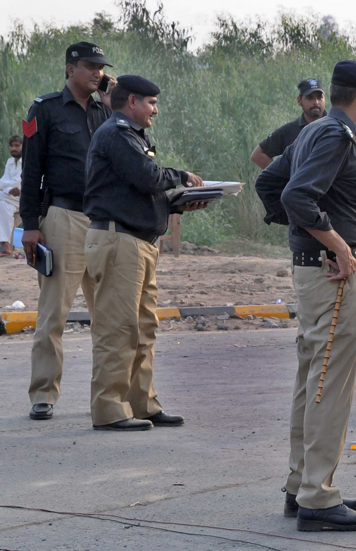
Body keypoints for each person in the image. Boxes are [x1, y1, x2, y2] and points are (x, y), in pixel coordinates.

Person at [280, 60, 356, 532]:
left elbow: (271, 184)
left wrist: (304, 239)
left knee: (312, 379)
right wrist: (336, 245)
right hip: (333, 274)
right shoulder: (336, 135)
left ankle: (302, 485)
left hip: (317, 271)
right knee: (329, 383)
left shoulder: (313, 132)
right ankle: (318, 497)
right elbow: (296, 196)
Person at [84, 75, 208, 431]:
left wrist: (179, 205)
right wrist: (180, 176)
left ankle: (142, 403)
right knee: (117, 328)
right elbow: (146, 176)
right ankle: (109, 407)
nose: (156, 110)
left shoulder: (132, 136)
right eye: (151, 103)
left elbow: (138, 191)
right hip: (118, 241)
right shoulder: (116, 133)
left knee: (142, 327)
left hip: (137, 243)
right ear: (132, 101)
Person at [20, 42, 116, 421]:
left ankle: (110, 396)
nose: (97, 73)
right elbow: (31, 171)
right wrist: (30, 225)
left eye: (101, 68)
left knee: (108, 315)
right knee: (53, 314)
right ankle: (43, 393)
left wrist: (114, 101)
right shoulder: (45, 110)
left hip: (105, 220)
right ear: (69, 69)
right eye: (89, 66)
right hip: (64, 218)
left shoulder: (108, 112)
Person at [250, 79, 326, 170]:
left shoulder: (337, 127)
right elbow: (257, 155)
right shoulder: (290, 130)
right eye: (310, 98)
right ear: (299, 101)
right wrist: (284, 177)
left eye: (319, 97)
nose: (316, 102)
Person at [0, 135, 23, 256]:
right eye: (12, 146)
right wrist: (9, 190)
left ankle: (5, 245)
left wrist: (6, 187)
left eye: (17, 146)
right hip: (8, 197)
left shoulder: (27, 161)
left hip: (23, 198)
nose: (14, 148)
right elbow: (3, 181)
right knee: (3, 205)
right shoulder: (10, 162)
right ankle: (5, 245)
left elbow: (19, 182)